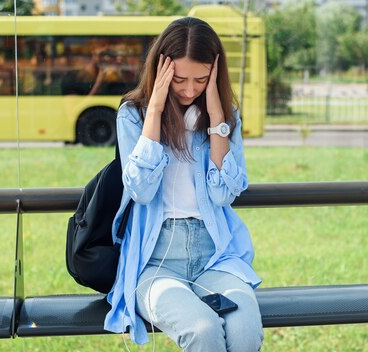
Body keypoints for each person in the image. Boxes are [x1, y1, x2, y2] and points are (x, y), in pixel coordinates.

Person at [104, 17, 264, 351]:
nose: (190, 90)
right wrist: (155, 111)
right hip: (155, 263)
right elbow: (141, 190)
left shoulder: (223, 120)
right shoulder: (132, 116)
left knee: (245, 331)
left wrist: (218, 121)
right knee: (202, 330)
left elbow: (223, 194)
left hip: (214, 257)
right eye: (178, 79)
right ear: (161, 72)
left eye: (201, 80)